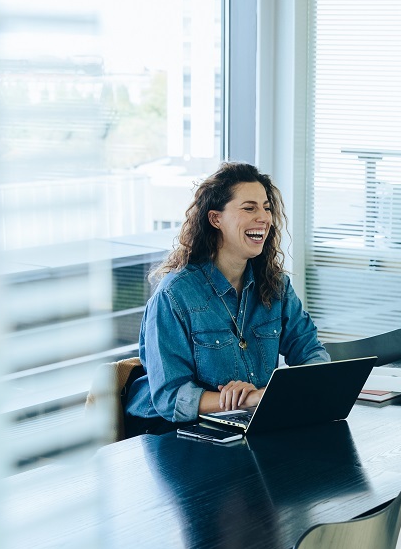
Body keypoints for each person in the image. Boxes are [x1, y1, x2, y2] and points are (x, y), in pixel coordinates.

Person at [125, 161, 330, 436]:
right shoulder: (174, 295)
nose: (264, 218)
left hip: (244, 423)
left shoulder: (276, 285)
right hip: (171, 432)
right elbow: (171, 397)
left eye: (266, 208)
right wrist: (250, 399)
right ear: (215, 219)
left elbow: (312, 354)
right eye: (249, 208)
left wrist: (268, 394)